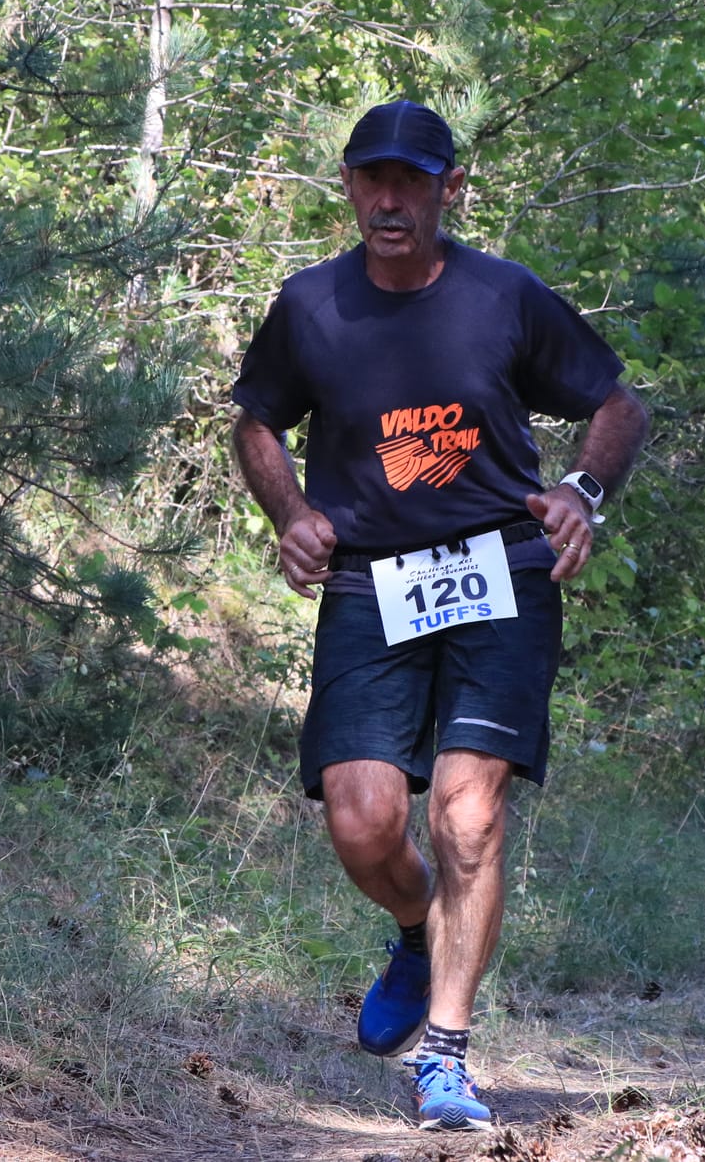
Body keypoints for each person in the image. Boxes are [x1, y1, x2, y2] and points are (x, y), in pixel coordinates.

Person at [230, 100, 649, 1132]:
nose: (388, 199)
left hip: (496, 572)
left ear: (448, 190)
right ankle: (417, 926)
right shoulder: (312, 306)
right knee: (363, 817)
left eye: (410, 181)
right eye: (370, 179)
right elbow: (254, 420)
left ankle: (447, 1055)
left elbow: (615, 405)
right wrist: (291, 512)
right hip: (370, 581)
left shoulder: (503, 297)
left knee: (466, 811)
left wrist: (582, 495)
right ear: (347, 187)